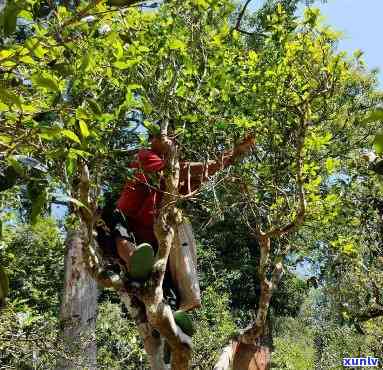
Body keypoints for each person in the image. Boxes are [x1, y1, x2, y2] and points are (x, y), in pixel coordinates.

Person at [102, 132, 255, 311]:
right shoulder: (146, 156)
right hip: (127, 221)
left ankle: (173, 309)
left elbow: (195, 180)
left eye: (174, 139)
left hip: (151, 236)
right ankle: (134, 263)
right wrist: (219, 161)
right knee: (121, 235)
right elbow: (179, 170)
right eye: (167, 138)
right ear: (154, 140)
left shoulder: (170, 184)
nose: (172, 142)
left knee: (163, 284)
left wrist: (233, 154)